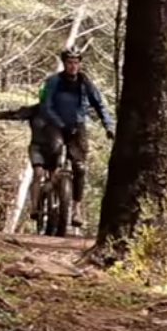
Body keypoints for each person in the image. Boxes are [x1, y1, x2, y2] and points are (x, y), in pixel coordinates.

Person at [31, 47, 114, 226]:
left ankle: (76, 209)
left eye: (76, 62)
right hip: (56, 125)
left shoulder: (85, 83)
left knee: (80, 168)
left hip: (78, 127)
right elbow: (46, 106)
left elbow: (99, 105)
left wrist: (108, 125)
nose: (73, 66)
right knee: (55, 149)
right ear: (64, 63)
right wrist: (59, 123)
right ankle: (50, 181)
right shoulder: (54, 81)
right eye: (70, 62)